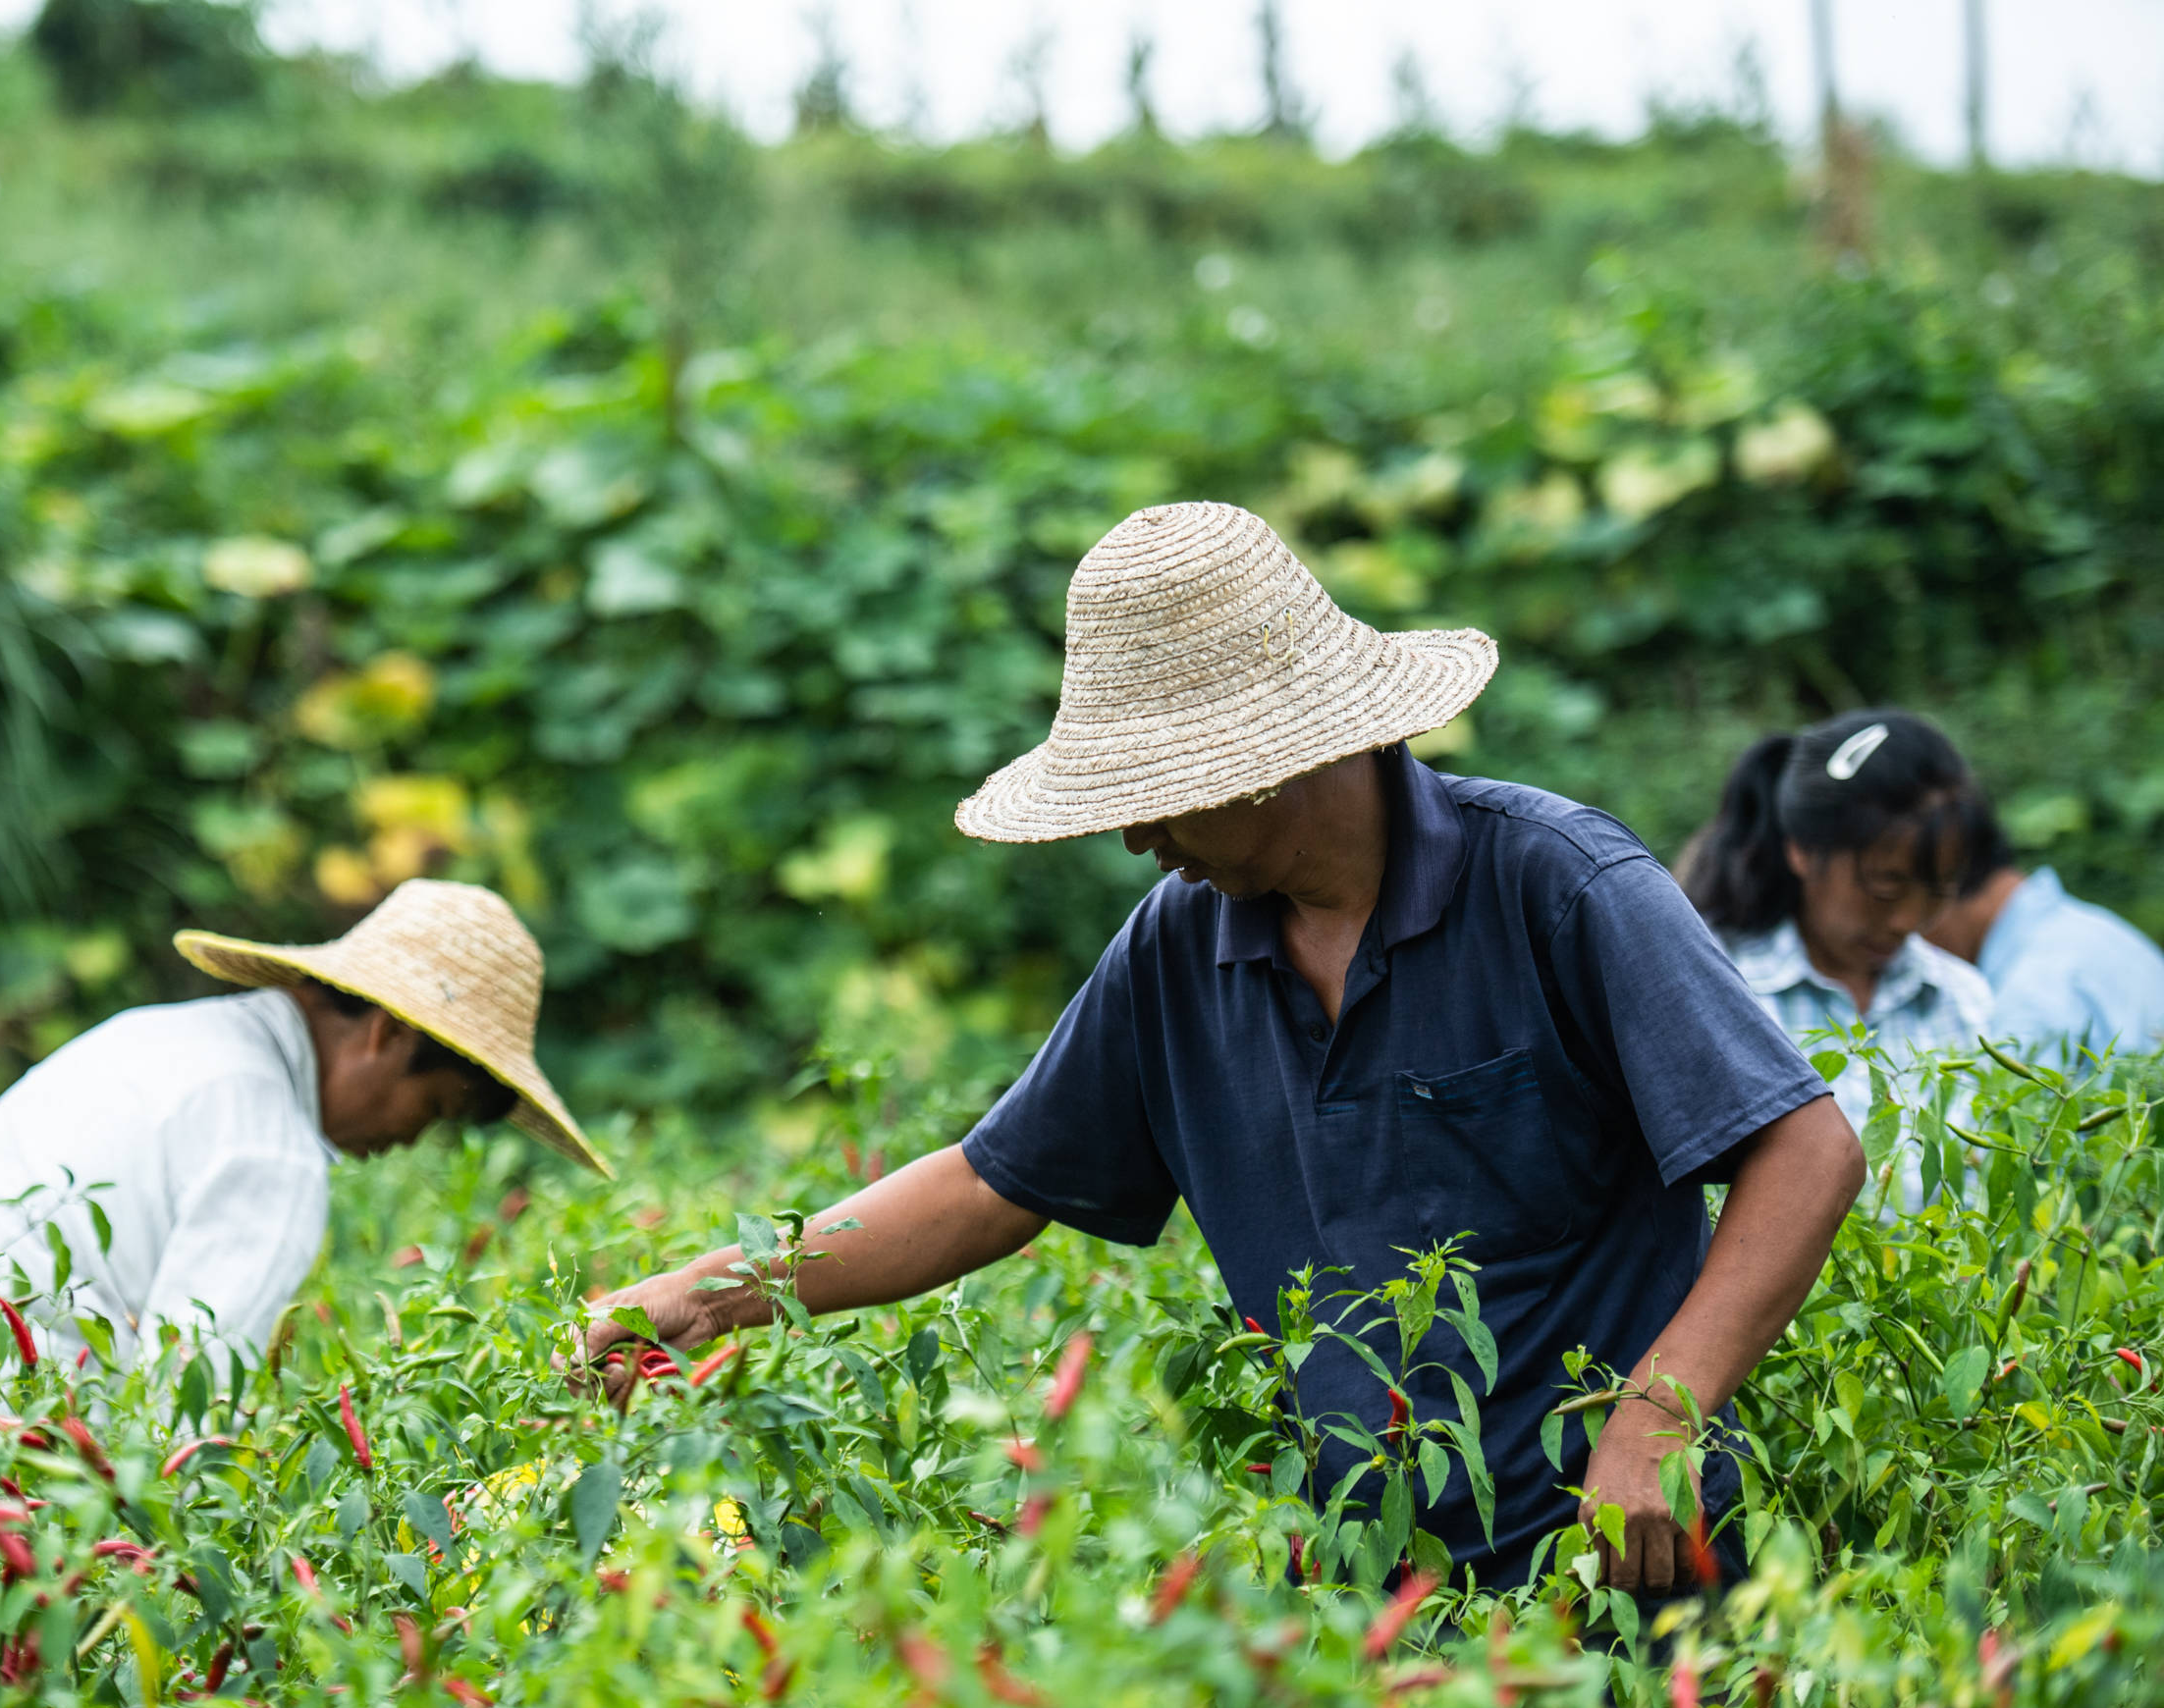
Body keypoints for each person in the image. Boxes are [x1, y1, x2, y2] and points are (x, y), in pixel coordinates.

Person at [581, 503, 1865, 1595]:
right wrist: (719, 1289)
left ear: (1264, 767)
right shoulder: (1180, 947)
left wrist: (1662, 1410)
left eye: (1155, 799)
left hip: (1624, 1566)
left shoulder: (1556, 888)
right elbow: (991, 1183)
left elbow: (1804, 1149)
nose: (1136, 839)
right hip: (1366, 1597)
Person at [0, 879, 607, 1372]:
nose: (413, 1141)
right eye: (436, 1110)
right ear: (386, 1036)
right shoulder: (270, 1151)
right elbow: (181, 1428)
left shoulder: (155, 1036)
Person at [1677, 711, 1994, 1131]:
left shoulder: (1963, 1001)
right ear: (1803, 849)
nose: (1907, 921)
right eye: (1884, 885)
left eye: (1938, 890)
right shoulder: (1715, 990)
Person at [1923, 792, 2164, 1057]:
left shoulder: (2031, 990)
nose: (1905, 934)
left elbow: (2023, 1096)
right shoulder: (2100, 930)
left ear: (1944, 887)